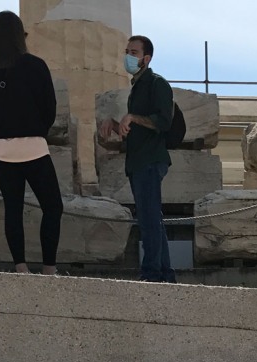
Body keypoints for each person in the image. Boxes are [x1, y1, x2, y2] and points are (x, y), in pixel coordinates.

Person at [0, 11, 63, 275]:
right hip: (32, 145)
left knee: (12, 208)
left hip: (0, 147)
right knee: (52, 206)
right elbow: (50, 107)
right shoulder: (35, 65)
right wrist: (37, 129)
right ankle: (49, 266)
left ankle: (21, 266)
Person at [98, 35, 176, 283]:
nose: (128, 56)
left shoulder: (157, 83)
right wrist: (115, 123)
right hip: (138, 161)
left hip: (150, 160)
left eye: (133, 52)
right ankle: (165, 274)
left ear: (146, 58)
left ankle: (151, 275)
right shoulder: (137, 87)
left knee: (149, 219)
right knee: (152, 217)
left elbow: (164, 121)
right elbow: (135, 125)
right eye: (127, 51)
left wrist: (132, 117)